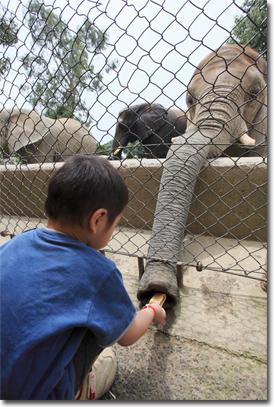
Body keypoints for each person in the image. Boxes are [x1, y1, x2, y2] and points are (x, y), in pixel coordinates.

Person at [0, 155, 166, 400]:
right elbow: (128, 335)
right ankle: (80, 390)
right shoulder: (98, 271)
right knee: (104, 318)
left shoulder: (15, 244)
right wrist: (151, 310)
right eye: (115, 224)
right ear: (97, 219)